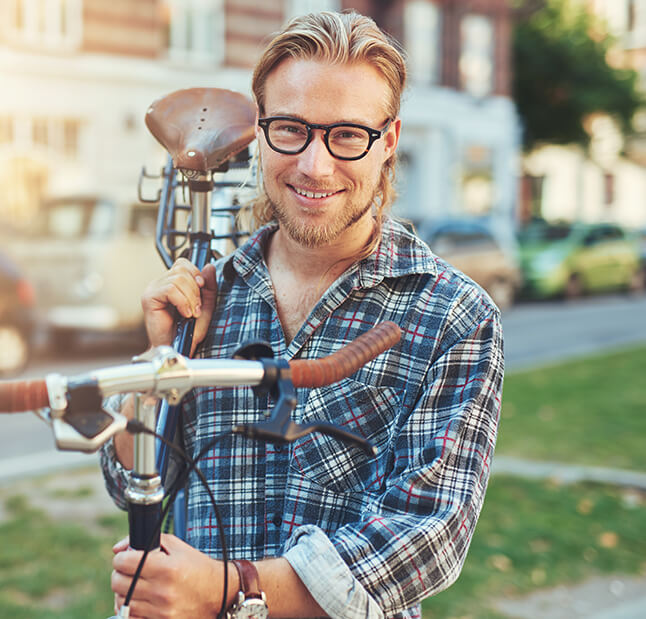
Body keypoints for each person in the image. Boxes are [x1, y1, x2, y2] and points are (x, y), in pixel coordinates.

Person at [100, 9, 504, 619]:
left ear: (388, 141)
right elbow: (133, 480)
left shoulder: (451, 317)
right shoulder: (211, 298)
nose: (315, 166)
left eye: (346, 135)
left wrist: (226, 589)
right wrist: (160, 367)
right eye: (291, 129)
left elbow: (425, 537)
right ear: (260, 130)